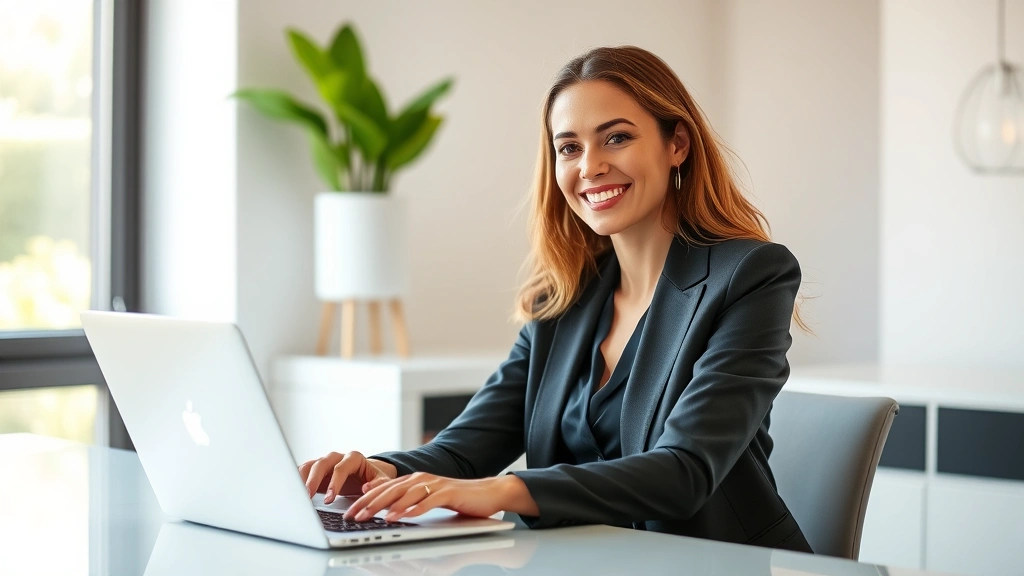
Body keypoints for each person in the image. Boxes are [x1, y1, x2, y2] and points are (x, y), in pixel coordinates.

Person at [299, 45, 813, 553]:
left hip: (715, 564)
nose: (590, 166)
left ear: (676, 143)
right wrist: (381, 471)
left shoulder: (750, 276)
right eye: (569, 148)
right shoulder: (563, 298)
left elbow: (684, 471)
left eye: (616, 137)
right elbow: (465, 449)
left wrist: (502, 491)